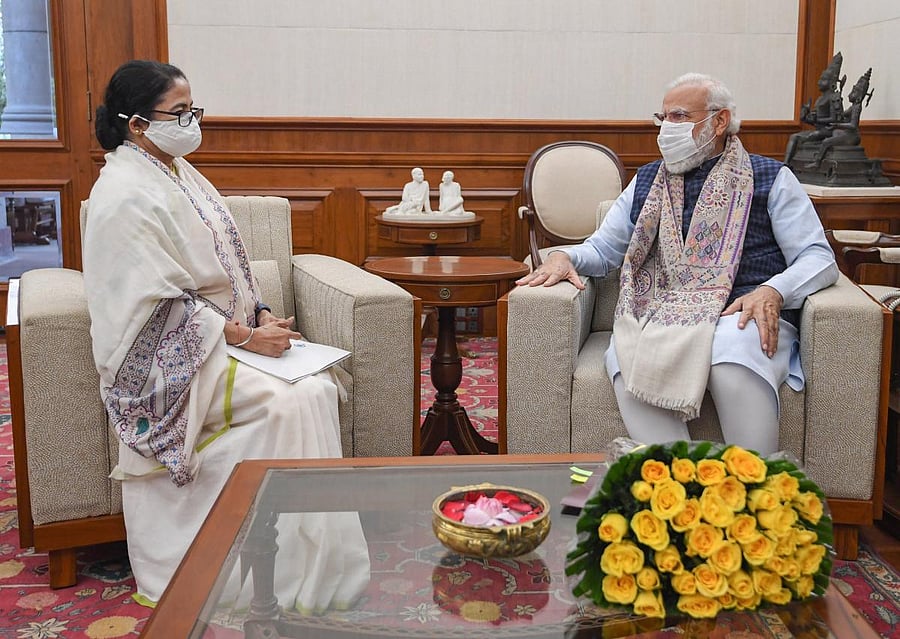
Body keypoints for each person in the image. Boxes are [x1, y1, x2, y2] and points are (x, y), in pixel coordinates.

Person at [83, 60, 369, 608]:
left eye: (193, 110)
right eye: (179, 113)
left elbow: (228, 263)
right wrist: (242, 337)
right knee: (290, 403)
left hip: (224, 339)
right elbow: (151, 306)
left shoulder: (177, 170)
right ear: (137, 124)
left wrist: (261, 314)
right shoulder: (121, 193)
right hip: (174, 362)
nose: (191, 123)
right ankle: (253, 579)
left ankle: (310, 572)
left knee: (317, 389)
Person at [517, 73, 838, 456]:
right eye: (663, 117)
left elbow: (818, 257)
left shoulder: (772, 178)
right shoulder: (646, 181)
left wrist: (773, 291)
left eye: (680, 116)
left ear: (719, 121)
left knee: (728, 352)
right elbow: (603, 249)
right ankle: (678, 477)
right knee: (626, 351)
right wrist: (565, 256)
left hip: (741, 313)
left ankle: (754, 480)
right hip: (661, 313)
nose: (667, 128)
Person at [784, 52, 846, 166]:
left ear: (832, 82)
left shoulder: (834, 97)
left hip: (828, 131)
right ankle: (786, 164)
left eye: (823, 80)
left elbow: (836, 119)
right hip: (820, 129)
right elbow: (815, 120)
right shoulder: (820, 99)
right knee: (794, 137)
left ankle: (788, 164)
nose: (819, 82)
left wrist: (817, 120)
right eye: (820, 79)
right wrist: (805, 117)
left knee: (801, 137)